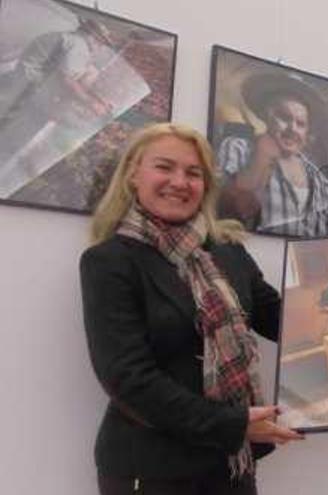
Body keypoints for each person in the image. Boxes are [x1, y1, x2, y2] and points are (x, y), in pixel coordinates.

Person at [79, 123, 301, 495]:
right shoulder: (109, 261)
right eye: (164, 167)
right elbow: (127, 378)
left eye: (193, 173)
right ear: (134, 174)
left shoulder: (227, 252)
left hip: (231, 464)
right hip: (151, 470)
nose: (179, 181)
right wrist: (232, 424)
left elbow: (285, 321)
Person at [0, 17, 114, 195]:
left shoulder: (67, 39)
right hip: (28, 93)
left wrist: (95, 98)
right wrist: (91, 103)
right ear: (95, 38)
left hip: (25, 87)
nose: (99, 48)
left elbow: (70, 79)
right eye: (101, 43)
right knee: (13, 142)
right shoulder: (78, 45)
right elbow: (67, 80)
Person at [216, 73, 328, 237]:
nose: (292, 129)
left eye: (301, 124)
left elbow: (327, 234)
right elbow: (227, 213)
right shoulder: (238, 148)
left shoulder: (320, 180)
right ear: (266, 116)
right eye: (284, 117)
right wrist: (261, 158)